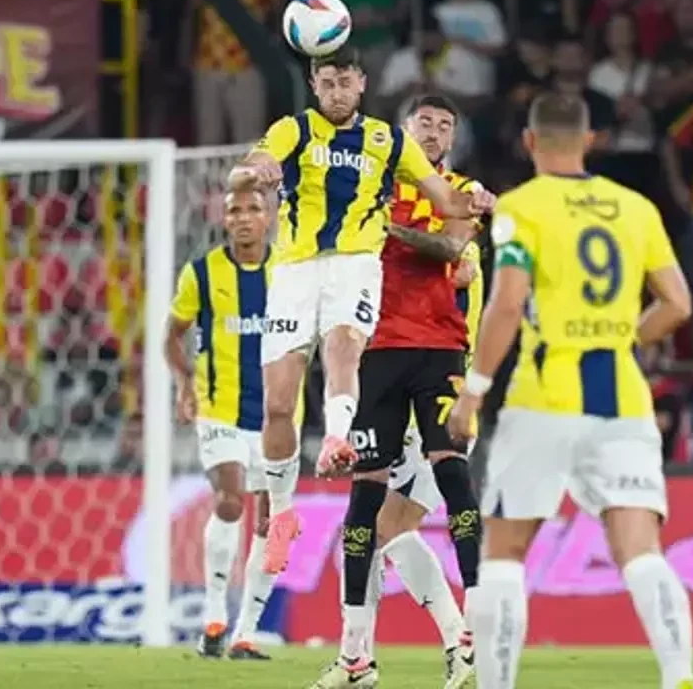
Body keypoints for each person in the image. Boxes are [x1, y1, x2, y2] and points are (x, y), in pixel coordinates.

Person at [447, 93, 693, 689]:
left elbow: (507, 304)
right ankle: (679, 677)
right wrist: (625, 339)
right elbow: (678, 304)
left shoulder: (521, 206)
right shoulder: (636, 208)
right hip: (623, 399)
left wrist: (474, 390)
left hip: (544, 395)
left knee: (505, 553)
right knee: (640, 550)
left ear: (530, 142)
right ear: (590, 141)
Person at [228, 45, 492, 584]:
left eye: (345, 82)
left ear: (362, 84)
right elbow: (252, 165)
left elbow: (450, 219)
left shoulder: (398, 150)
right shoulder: (298, 131)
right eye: (327, 83)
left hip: (388, 302)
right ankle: (284, 515)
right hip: (303, 277)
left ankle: (336, 440)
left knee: (346, 347)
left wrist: (481, 203)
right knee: (280, 407)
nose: (336, 92)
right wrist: (254, 170)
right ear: (315, 85)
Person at [313, 94, 486, 689]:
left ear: (453, 139)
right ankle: (427, 646)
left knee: (386, 527)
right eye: (424, 123)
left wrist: (381, 226)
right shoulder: (371, 188)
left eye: (444, 125)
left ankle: (428, 645)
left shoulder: (460, 194)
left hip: (438, 369)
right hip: (380, 361)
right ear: (404, 132)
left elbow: (456, 252)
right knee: (381, 528)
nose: (434, 133)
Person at [165, 187, 285, 660]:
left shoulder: (289, 272)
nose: (244, 217)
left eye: (254, 209)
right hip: (219, 409)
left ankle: (245, 633)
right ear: (224, 218)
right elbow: (171, 336)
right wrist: (184, 384)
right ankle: (214, 614)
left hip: (279, 416)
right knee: (231, 501)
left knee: (273, 522)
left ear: (269, 217)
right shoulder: (201, 273)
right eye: (235, 210)